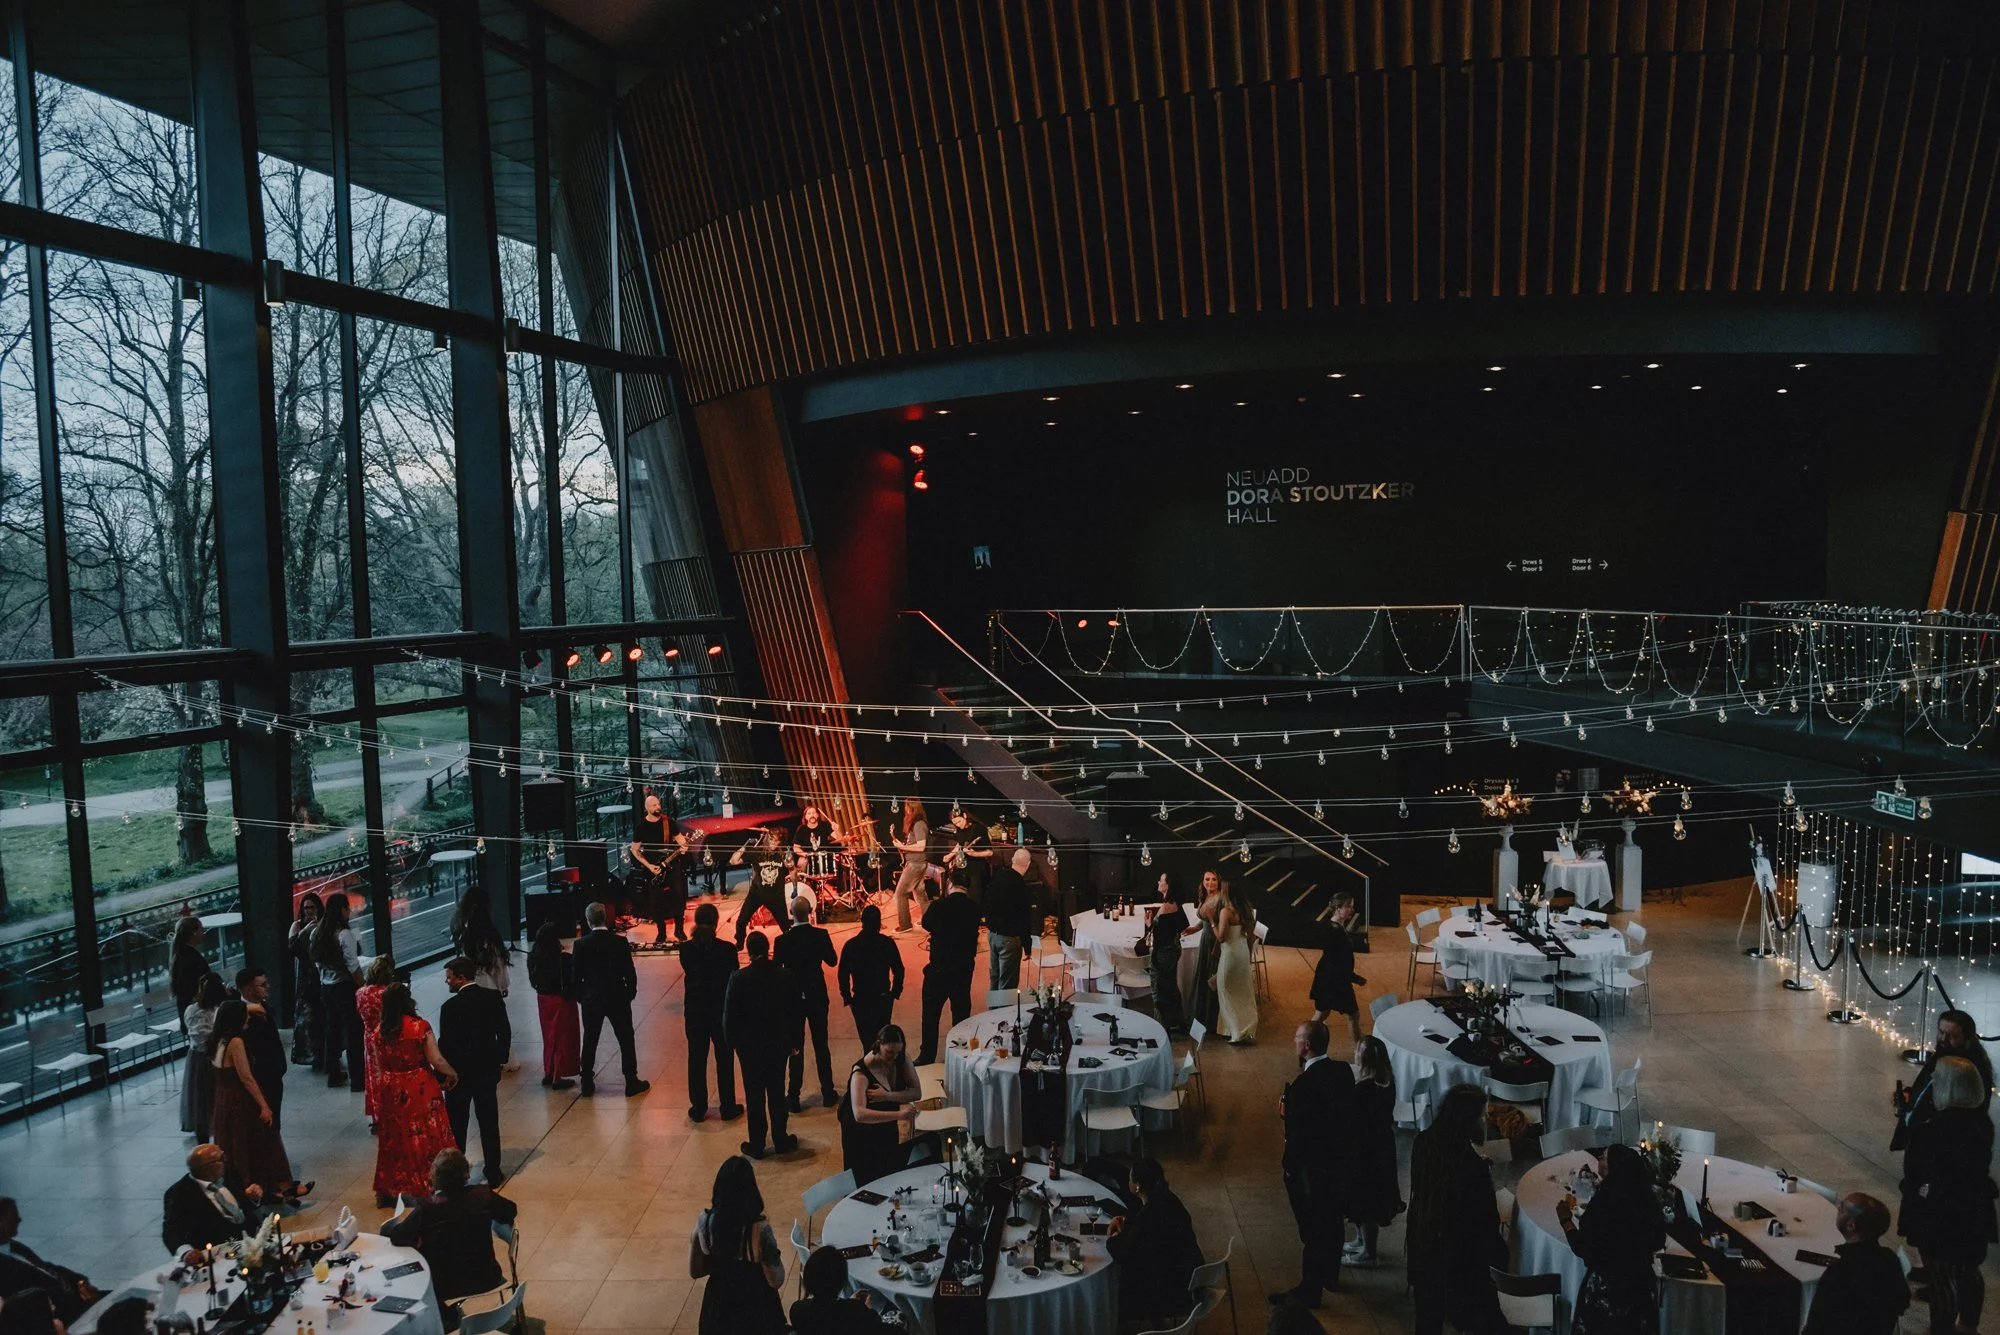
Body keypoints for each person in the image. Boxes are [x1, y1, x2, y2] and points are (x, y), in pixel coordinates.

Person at [1898, 1054, 1997, 1335]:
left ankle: (1940, 1330)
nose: (1932, 1081)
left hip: (1940, 1214)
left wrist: (1923, 1190)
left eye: (1937, 1078)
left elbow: (1917, 1171)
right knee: (1968, 1271)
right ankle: (1968, 1326)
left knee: (1942, 1278)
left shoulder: (1934, 1129)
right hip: (1974, 1209)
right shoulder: (1981, 1123)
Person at [1406, 1083, 1507, 1335]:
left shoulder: (1424, 1142)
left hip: (1423, 1247)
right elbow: (1487, 1223)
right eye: (1482, 1115)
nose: (1486, 1120)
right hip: (1459, 1262)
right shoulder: (1472, 1171)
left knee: (1427, 1322)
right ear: (1468, 1120)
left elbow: (1424, 1186)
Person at [1271, 1021, 1351, 1308]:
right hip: (1338, 1163)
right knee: (1333, 1222)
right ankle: (1331, 1274)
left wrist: (1289, 1167)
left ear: (1306, 1046)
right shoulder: (1343, 1072)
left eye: (1296, 1038)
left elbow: (1298, 1136)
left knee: (1313, 1230)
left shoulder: (1302, 1087)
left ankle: (1310, 1289)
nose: (1294, 1041)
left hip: (1313, 1171)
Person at [383, 1148, 519, 1305]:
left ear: (435, 1177)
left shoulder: (428, 1207)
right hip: (487, 1277)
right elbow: (510, 1211)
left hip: (445, 1287)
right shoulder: (483, 1195)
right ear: (465, 1173)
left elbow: (398, 1236)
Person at [1555, 1143, 1665, 1334]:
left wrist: (1565, 1220)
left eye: (1604, 1157)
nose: (1599, 1159)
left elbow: (1584, 1248)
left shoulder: (1605, 1203)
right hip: (1639, 1290)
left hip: (1606, 1293)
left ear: (1613, 1167)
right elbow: (1657, 1240)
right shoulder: (1646, 1200)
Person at [208, 1000, 306, 1203]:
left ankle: (255, 1188)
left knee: (235, 1146)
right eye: (245, 1014)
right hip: (241, 1102)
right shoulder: (236, 1042)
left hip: (223, 1101)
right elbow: (246, 1078)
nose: (249, 1018)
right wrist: (264, 1105)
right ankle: (275, 1187)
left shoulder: (218, 1040)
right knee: (262, 1142)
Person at [371, 983, 460, 1205]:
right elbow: (436, 1060)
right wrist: (452, 1073)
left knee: (394, 1137)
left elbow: (379, 1065)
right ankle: (432, 1182)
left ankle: (389, 1188)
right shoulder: (419, 1027)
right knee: (426, 1134)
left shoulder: (378, 1032)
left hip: (391, 1086)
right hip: (418, 1086)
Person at [725, 931, 804, 1158]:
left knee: (754, 1094)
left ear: (748, 953)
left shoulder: (738, 978)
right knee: (777, 1092)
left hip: (749, 1048)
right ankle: (780, 1139)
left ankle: (757, 1143)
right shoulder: (785, 975)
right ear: (768, 949)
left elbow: (729, 1015)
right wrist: (795, 1042)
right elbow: (795, 1013)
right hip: (777, 1045)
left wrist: (733, 1044)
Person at [688, 1156, 786, 1335]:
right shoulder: (760, 1229)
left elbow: (695, 1271)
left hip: (718, 1306)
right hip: (755, 1303)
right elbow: (776, 1279)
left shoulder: (705, 1222)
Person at [1106, 1157, 1204, 1330]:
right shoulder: (1168, 1199)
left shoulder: (1147, 1216)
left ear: (1137, 1187)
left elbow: (1123, 1253)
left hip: (1170, 1289)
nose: (1128, 1182)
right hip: (1189, 1276)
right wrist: (1128, 1222)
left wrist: (1113, 1237)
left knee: (1112, 1287)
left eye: (1130, 1179)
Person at [440, 956, 511, 1186]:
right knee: (489, 1122)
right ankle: (493, 1170)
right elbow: (505, 1032)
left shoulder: (449, 1008)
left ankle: (456, 1173)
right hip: (486, 1071)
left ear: (461, 978)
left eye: (449, 977)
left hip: (459, 1075)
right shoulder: (492, 999)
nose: (447, 982)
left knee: (457, 1126)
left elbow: (446, 1045)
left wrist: (446, 1074)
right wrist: (499, 1060)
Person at [1803, 1192, 1909, 1335]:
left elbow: (1815, 1327)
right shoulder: (1889, 1258)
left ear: (1851, 1225)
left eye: (1842, 1208)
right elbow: (1902, 1303)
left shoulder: (1839, 1272)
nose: (1837, 1209)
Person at [572, 901, 649, 1098]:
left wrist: (583, 996)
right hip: (617, 997)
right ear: (605, 918)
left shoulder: (580, 945)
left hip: (592, 999)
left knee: (590, 1039)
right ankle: (631, 1080)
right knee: (625, 1038)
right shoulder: (619, 942)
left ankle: (587, 1081)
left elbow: (576, 977)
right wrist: (629, 993)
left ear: (588, 921)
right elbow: (629, 973)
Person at [1892, 1008, 1994, 1151]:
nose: (1943, 1039)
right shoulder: (1945, 1052)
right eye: (1941, 1032)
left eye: (1952, 1035)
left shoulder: (1970, 1070)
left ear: (1967, 1039)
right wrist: (1911, 1095)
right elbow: (1930, 1086)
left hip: (1940, 1145)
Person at [1343, 1036, 1404, 1268]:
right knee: (1369, 1197)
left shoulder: (1365, 1089)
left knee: (1365, 1200)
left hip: (1365, 1151)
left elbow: (1352, 1120)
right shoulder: (1386, 1081)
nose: (1354, 1053)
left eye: (1358, 1051)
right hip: (1381, 1146)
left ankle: (1368, 1252)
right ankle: (1361, 1241)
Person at [774, 894, 838, 1111]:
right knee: (822, 1045)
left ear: (791, 914)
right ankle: (827, 1092)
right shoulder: (820, 935)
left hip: (793, 998)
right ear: (810, 911)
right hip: (816, 994)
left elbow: (776, 968)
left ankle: (793, 1096)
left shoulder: (782, 940)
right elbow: (832, 960)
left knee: (795, 1047)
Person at [838, 1024, 921, 1188]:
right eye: (889, 1052)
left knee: (887, 1169)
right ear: (878, 1045)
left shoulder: (901, 1058)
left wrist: (886, 1096)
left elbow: (916, 1093)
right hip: (860, 1131)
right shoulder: (861, 1073)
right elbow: (860, 1114)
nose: (894, 1057)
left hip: (885, 1122)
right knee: (865, 1178)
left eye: (898, 1052)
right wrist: (900, 1115)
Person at [682, 901, 742, 1122]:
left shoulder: (685, 949)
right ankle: (728, 1106)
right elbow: (734, 976)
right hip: (720, 1011)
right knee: (724, 1059)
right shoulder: (726, 949)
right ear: (716, 923)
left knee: (696, 1059)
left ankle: (698, 1107)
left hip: (695, 1011)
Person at [163, 1144, 270, 1259]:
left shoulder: (229, 1174)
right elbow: (172, 1230)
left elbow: (243, 1204)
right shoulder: (178, 1193)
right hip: (219, 1252)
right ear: (208, 1168)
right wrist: (186, 1252)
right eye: (221, 1159)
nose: (226, 1161)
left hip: (255, 1240)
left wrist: (252, 1198)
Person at [916, 873, 980, 1064]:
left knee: (931, 1013)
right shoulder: (973, 908)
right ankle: (959, 1054)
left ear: (949, 884)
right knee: (960, 1012)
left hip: (939, 967)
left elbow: (926, 923)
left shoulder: (939, 906)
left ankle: (927, 1055)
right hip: (962, 968)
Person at [0, 1200, 97, 1322]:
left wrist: (78, 1280)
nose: (19, 1220)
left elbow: (44, 1267)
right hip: (51, 1312)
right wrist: (70, 1294)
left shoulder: (15, 1247)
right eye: (13, 1217)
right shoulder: (3, 1264)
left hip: (67, 1297)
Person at [311, 893, 364, 1090]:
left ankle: (333, 1074)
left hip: (326, 987)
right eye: (347, 908)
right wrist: (363, 985)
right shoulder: (344, 934)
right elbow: (353, 966)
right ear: (341, 910)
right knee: (353, 1032)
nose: (349, 911)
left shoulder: (317, 933)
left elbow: (317, 962)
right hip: (344, 988)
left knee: (332, 1030)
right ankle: (358, 1079)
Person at [838, 905, 905, 1048]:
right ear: (879, 923)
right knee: (883, 1042)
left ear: (862, 922)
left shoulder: (851, 945)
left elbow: (843, 974)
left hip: (861, 999)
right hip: (883, 998)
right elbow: (899, 970)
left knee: (867, 1044)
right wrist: (894, 993)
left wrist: (848, 998)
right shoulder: (887, 943)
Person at [234, 968, 290, 1134]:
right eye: (263, 985)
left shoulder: (264, 1006)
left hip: (274, 1073)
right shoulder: (240, 1015)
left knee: (276, 1116)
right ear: (248, 988)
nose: (268, 987)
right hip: (260, 1074)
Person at [526, 921, 581, 1090]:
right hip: (561, 1001)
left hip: (543, 1000)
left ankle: (549, 1071)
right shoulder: (562, 958)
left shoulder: (533, 957)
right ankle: (558, 1075)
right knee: (562, 1038)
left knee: (549, 1036)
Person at [629, 790, 688, 946]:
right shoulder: (641, 827)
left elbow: (680, 839)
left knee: (678, 897)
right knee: (656, 901)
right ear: (647, 807)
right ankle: (661, 932)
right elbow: (634, 849)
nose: (658, 807)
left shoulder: (668, 822)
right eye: (654, 805)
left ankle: (679, 929)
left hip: (671, 865)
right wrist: (649, 866)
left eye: (658, 804)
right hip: (653, 869)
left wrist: (683, 846)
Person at [790, 1244, 892, 1334]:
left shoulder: (797, 1310)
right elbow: (877, 1328)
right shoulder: (856, 1313)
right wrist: (868, 1310)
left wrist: (850, 1303)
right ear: (842, 1281)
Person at [1310, 893, 1364, 1051]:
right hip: (1334, 981)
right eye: (1348, 906)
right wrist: (1353, 978)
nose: (1351, 910)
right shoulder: (1334, 931)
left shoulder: (1336, 927)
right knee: (1351, 1014)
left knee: (1323, 1014)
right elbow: (1336, 961)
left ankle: (1306, 1045)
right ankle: (1360, 1051)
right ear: (1338, 909)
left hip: (1333, 979)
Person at [180, 972, 227, 1141]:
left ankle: (203, 1146)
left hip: (196, 1059)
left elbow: (194, 1034)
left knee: (199, 1103)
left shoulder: (191, 1010)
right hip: (216, 1058)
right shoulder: (220, 1010)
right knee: (216, 1100)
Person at [1212, 877, 1259, 1044]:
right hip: (1242, 951)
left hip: (1230, 954)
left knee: (1225, 990)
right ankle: (1237, 1028)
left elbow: (1222, 937)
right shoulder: (1246, 910)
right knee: (1242, 991)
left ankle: (1236, 1031)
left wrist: (1212, 922)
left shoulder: (1227, 911)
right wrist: (1249, 956)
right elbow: (1251, 937)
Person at [355, 952, 399, 1123]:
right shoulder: (388, 993)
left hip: (369, 1037)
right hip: (388, 1037)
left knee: (374, 1075)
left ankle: (377, 1115)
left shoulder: (360, 993)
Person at [983, 847, 1033, 991]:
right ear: (1028, 864)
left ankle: (993, 1011)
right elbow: (1024, 919)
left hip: (992, 934)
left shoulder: (998, 877)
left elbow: (986, 901)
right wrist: (1027, 946)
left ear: (1012, 860)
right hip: (1009, 938)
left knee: (995, 975)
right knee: (1007, 982)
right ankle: (1003, 1013)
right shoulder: (1021, 887)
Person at [731, 826, 792, 935]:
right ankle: (739, 943)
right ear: (767, 840)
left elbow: (792, 870)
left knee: (786, 927)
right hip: (756, 894)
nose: (774, 844)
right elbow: (734, 861)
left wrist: (795, 887)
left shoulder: (782, 854)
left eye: (777, 841)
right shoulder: (756, 852)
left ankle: (790, 947)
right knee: (741, 921)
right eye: (772, 841)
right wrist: (745, 847)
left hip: (776, 896)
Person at [1146, 876, 1187, 1032]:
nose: (1158, 882)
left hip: (1163, 953)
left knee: (1158, 990)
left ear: (1168, 886)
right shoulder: (1176, 904)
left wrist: (1150, 925)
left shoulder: (1165, 908)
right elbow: (1184, 925)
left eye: (1161, 880)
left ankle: (1161, 1029)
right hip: (1174, 950)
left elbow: (1159, 937)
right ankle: (1180, 1023)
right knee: (1171, 988)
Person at [287, 892, 323, 1067]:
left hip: (320, 974)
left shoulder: (322, 923)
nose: (308, 910)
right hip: (305, 976)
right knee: (308, 1016)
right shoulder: (297, 925)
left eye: (311, 907)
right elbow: (291, 949)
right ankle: (311, 1054)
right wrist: (305, 930)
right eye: (305, 907)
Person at [1189, 869, 1227, 1032]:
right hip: (1205, 938)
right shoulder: (1205, 895)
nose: (1210, 882)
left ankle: (1211, 1022)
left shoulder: (1220, 899)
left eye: (1213, 880)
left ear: (1219, 882)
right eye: (1207, 879)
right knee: (1203, 977)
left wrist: (1216, 949)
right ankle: (1201, 1017)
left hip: (1214, 941)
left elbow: (1222, 928)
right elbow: (1203, 920)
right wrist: (1195, 928)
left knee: (1211, 980)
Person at [890, 797, 930, 932]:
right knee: (920, 894)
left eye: (906, 806)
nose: (905, 810)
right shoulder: (916, 824)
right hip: (916, 862)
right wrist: (902, 846)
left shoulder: (919, 824)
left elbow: (921, 846)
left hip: (916, 863)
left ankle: (905, 925)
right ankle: (929, 920)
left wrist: (903, 847)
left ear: (912, 807)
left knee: (901, 893)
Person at [943, 807, 993, 902]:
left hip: (977, 866)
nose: (958, 825)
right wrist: (950, 855)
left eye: (959, 821)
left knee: (974, 894)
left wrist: (974, 853)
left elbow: (990, 852)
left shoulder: (978, 829)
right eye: (955, 824)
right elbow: (960, 844)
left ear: (965, 816)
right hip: (964, 865)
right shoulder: (960, 830)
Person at [169, 915, 208, 1024]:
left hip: (189, 1011)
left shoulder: (181, 955)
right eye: (201, 929)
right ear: (194, 933)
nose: (203, 932)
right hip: (198, 1014)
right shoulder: (189, 958)